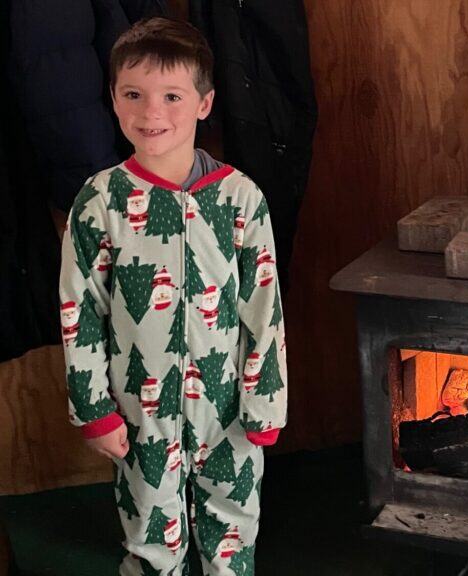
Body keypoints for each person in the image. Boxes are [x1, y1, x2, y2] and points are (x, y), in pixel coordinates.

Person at [57, 17, 287, 576]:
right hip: (140, 410)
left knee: (232, 528)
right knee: (149, 533)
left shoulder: (240, 197)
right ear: (113, 99)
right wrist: (94, 410)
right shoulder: (101, 199)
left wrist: (264, 403)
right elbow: (80, 307)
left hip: (226, 405)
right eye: (133, 94)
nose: (151, 112)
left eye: (171, 96)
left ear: (204, 103)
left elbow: (264, 306)